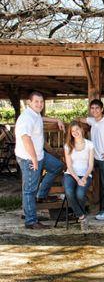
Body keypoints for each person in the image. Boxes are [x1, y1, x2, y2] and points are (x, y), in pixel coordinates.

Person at [15, 91, 65, 229]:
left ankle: (41, 194)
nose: (39, 104)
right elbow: (26, 139)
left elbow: (41, 118)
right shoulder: (26, 118)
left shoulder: (35, 114)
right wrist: (34, 159)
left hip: (40, 154)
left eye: (41, 102)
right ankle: (31, 221)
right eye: (36, 101)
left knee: (57, 166)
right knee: (29, 190)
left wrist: (56, 120)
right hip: (29, 158)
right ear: (29, 103)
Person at [63, 121, 94, 225]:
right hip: (71, 174)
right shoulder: (68, 146)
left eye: (77, 129)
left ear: (81, 129)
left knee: (80, 194)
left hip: (85, 174)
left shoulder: (90, 145)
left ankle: (79, 214)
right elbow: (69, 166)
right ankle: (81, 216)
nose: (75, 132)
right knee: (69, 192)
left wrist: (84, 178)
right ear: (70, 133)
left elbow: (90, 165)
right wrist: (77, 179)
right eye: (72, 131)